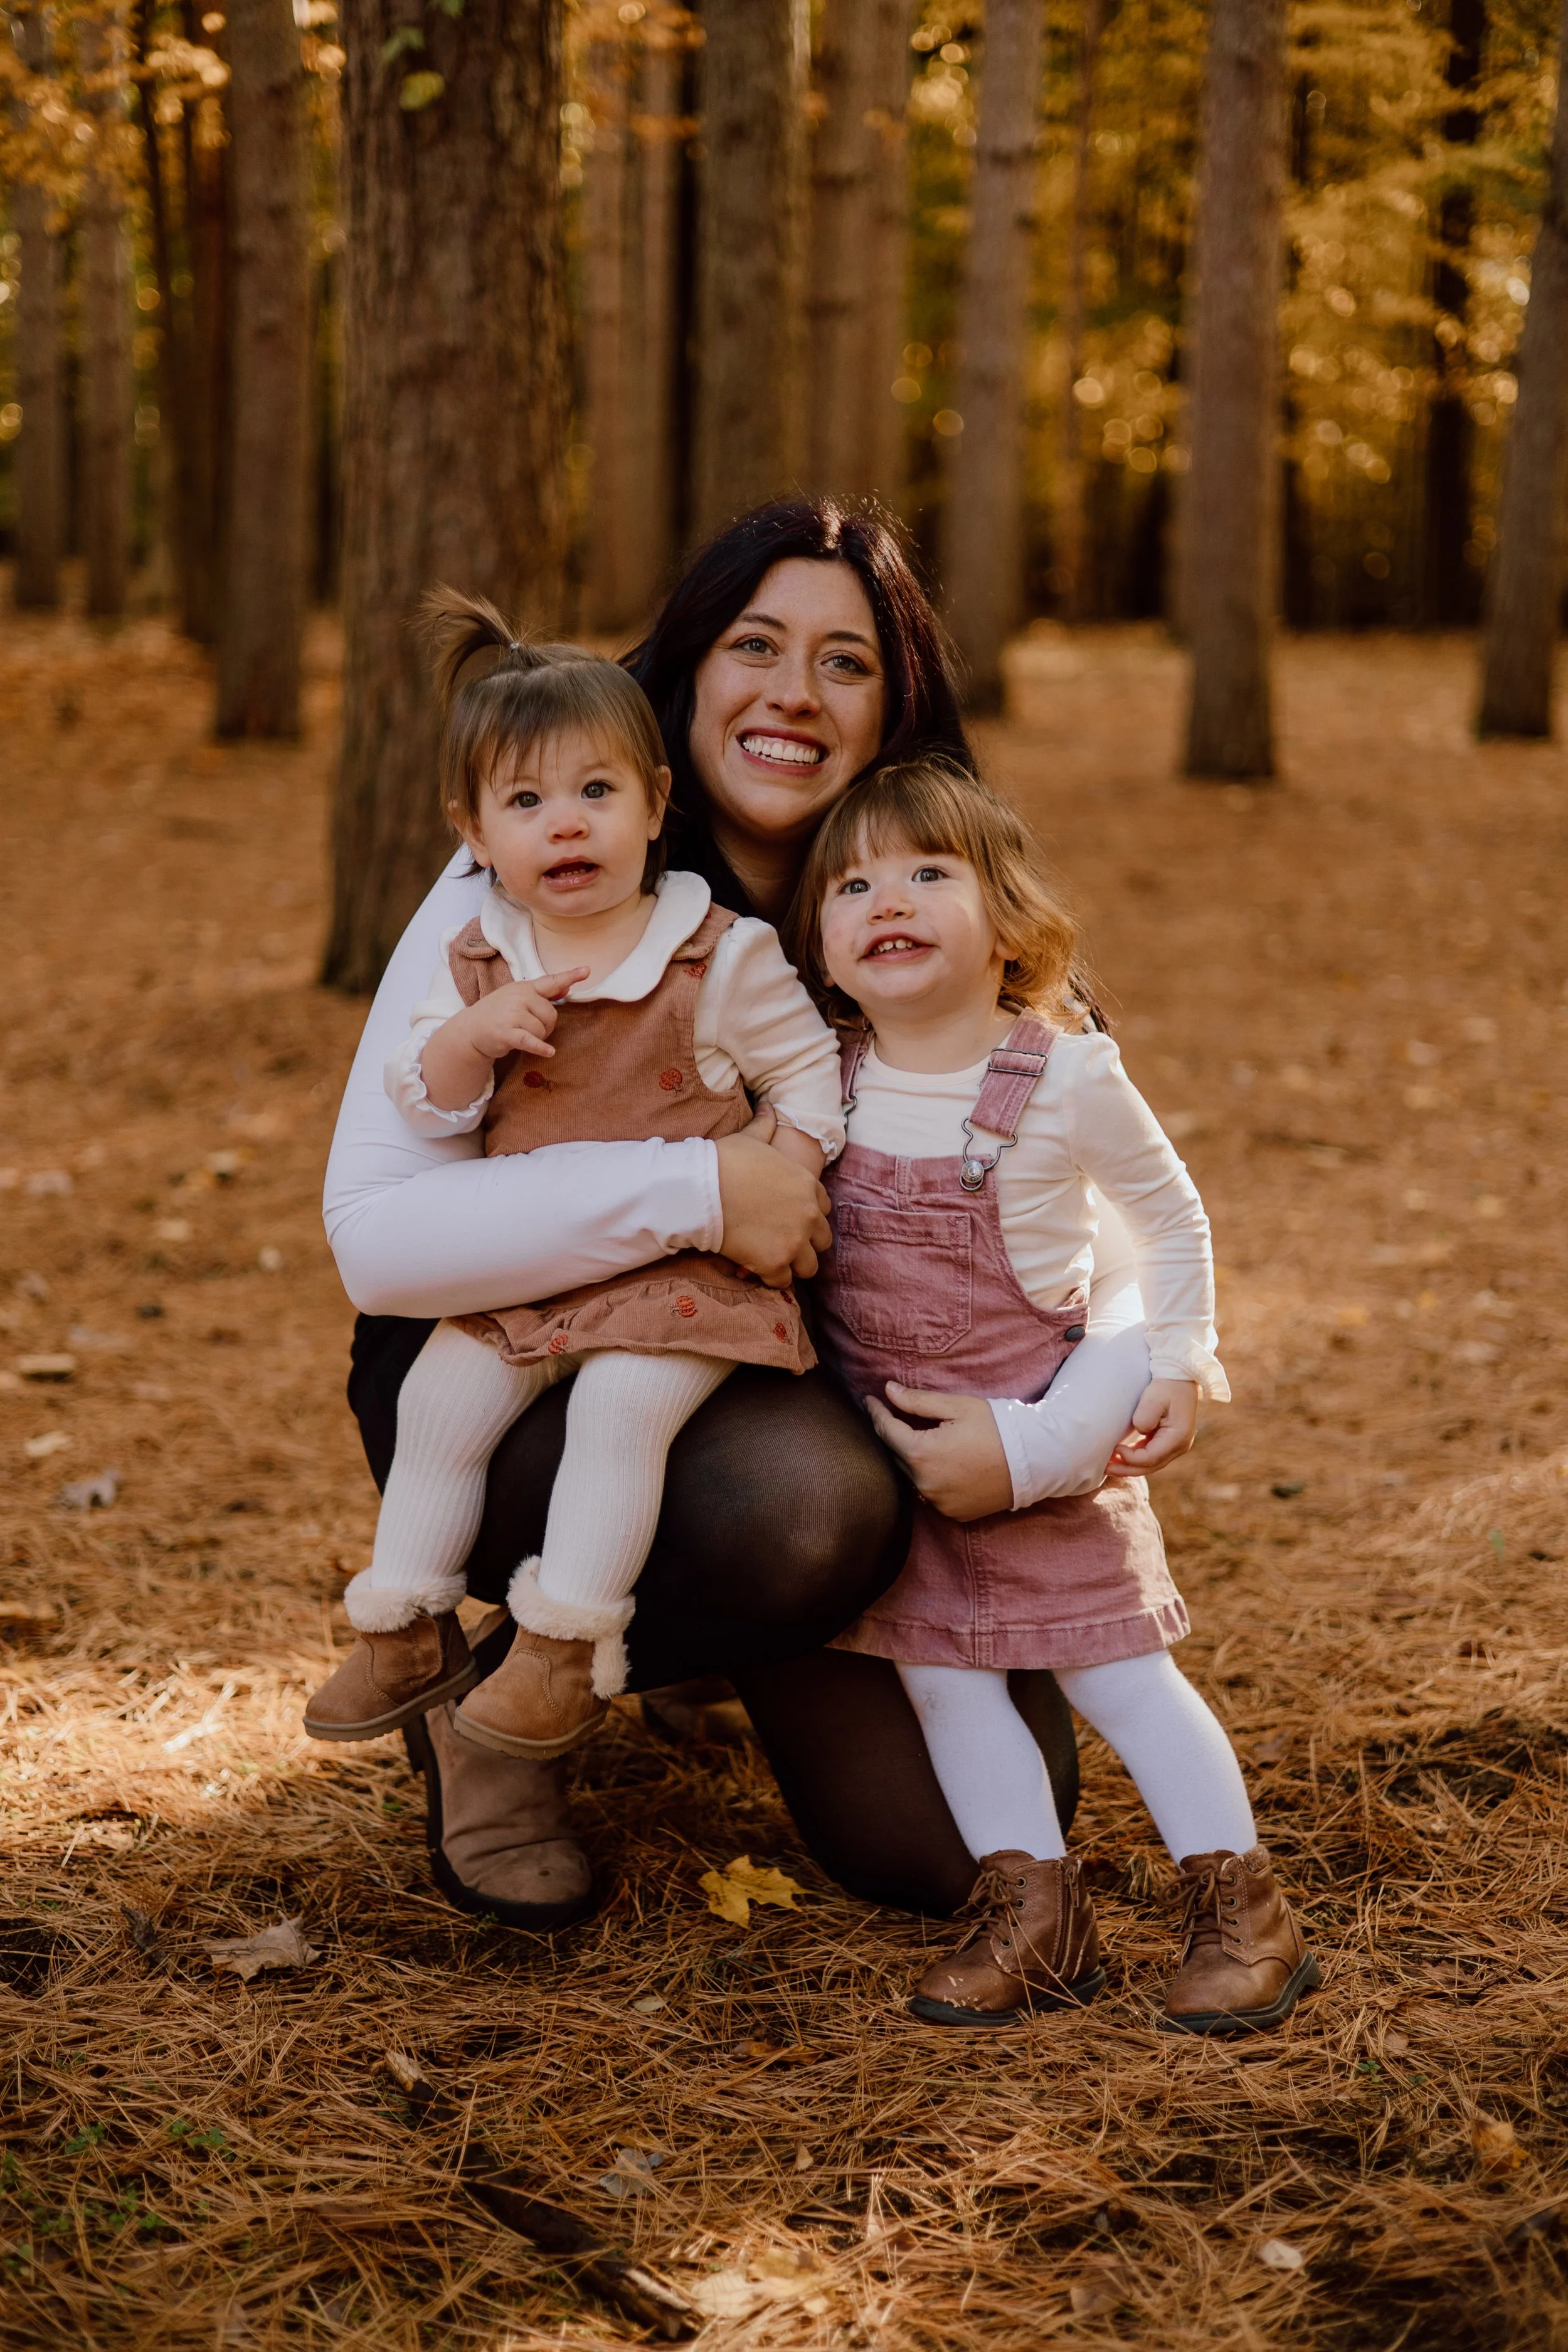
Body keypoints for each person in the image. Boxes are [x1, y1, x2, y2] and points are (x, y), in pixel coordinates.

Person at [323, 498, 1176, 1935]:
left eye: (843, 662)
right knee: (797, 1509)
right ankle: (496, 1704)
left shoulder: (937, 900)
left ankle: (702, 1638)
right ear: (687, 674)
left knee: (949, 1856)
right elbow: (376, 1236)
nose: (793, 691)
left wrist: (1055, 1429)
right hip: (523, 1366)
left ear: (895, 707)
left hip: (816, 1387)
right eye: (754, 645)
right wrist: (702, 1185)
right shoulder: (532, 875)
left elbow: (1114, 1220)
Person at [794, 758, 1320, 2036]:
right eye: (853, 882)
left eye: (928, 872)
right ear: (822, 946)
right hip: (909, 1471)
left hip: (1046, 1453)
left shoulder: (1060, 1076)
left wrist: (1179, 1359)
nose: (888, 899)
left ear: (1008, 926)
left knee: (1121, 1678)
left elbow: (1169, 1217)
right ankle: (1033, 1912)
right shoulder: (827, 1080)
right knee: (942, 1681)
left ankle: (1241, 1906)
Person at [306, 593, 843, 1755]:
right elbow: (424, 1100)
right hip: (534, 1273)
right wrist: (468, 1039)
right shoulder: (477, 952)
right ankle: (407, 1624)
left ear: (656, 805)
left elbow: (812, 1069)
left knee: (618, 1410)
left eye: (597, 793)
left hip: (687, 1277)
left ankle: (562, 1649)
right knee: (439, 1402)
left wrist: (784, 1175)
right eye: (527, 802)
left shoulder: (715, 950)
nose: (566, 827)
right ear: (474, 830)